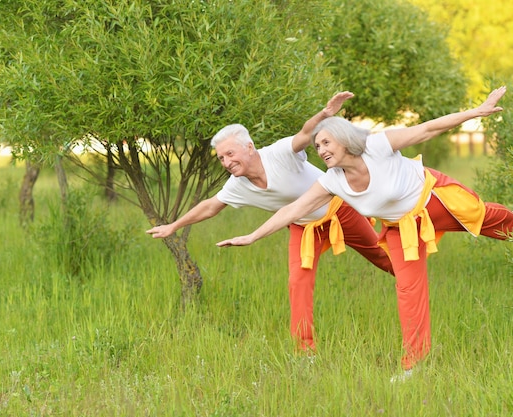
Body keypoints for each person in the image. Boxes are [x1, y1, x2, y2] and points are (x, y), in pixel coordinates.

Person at [216, 86, 513, 381]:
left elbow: (427, 129)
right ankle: (414, 365)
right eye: (317, 146)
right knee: (408, 289)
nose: (321, 150)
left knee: (492, 221)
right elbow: (291, 211)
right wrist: (252, 236)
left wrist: (475, 112)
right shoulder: (332, 181)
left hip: (435, 200)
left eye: (326, 142)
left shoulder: (377, 145)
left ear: (344, 139)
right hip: (402, 228)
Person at [147, 91, 394, 353]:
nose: (227, 162)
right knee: (297, 283)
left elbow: (303, 135)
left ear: (249, 147)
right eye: (221, 158)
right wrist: (173, 226)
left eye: (230, 153)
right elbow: (210, 206)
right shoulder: (237, 185)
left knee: (382, 257)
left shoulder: (278, 154)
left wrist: (324, 114)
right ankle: (305, 351)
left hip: (339, 210)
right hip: (302, 226)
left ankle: (411, 280)